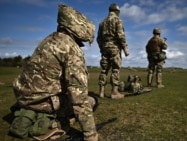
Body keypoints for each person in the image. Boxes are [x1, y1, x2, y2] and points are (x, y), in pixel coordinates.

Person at [9, 4, 98, 141]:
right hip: (43, 101)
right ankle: (55, 122)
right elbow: (79, 97)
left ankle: (30, 114)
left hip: (23, 98)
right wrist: (90, 135)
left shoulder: (48, 40)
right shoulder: (71, 48)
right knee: (92, 101)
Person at [97, 3, 129, 99]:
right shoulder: (118, 20)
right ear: (117, 11)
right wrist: (125, 48)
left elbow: (99, 38)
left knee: (104, 70)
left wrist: (102, 48)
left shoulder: (102, 22)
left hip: (105, 48)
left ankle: (101, 92)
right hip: (115, 48)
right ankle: (114, 92)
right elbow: (120, 35)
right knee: (115, 69)